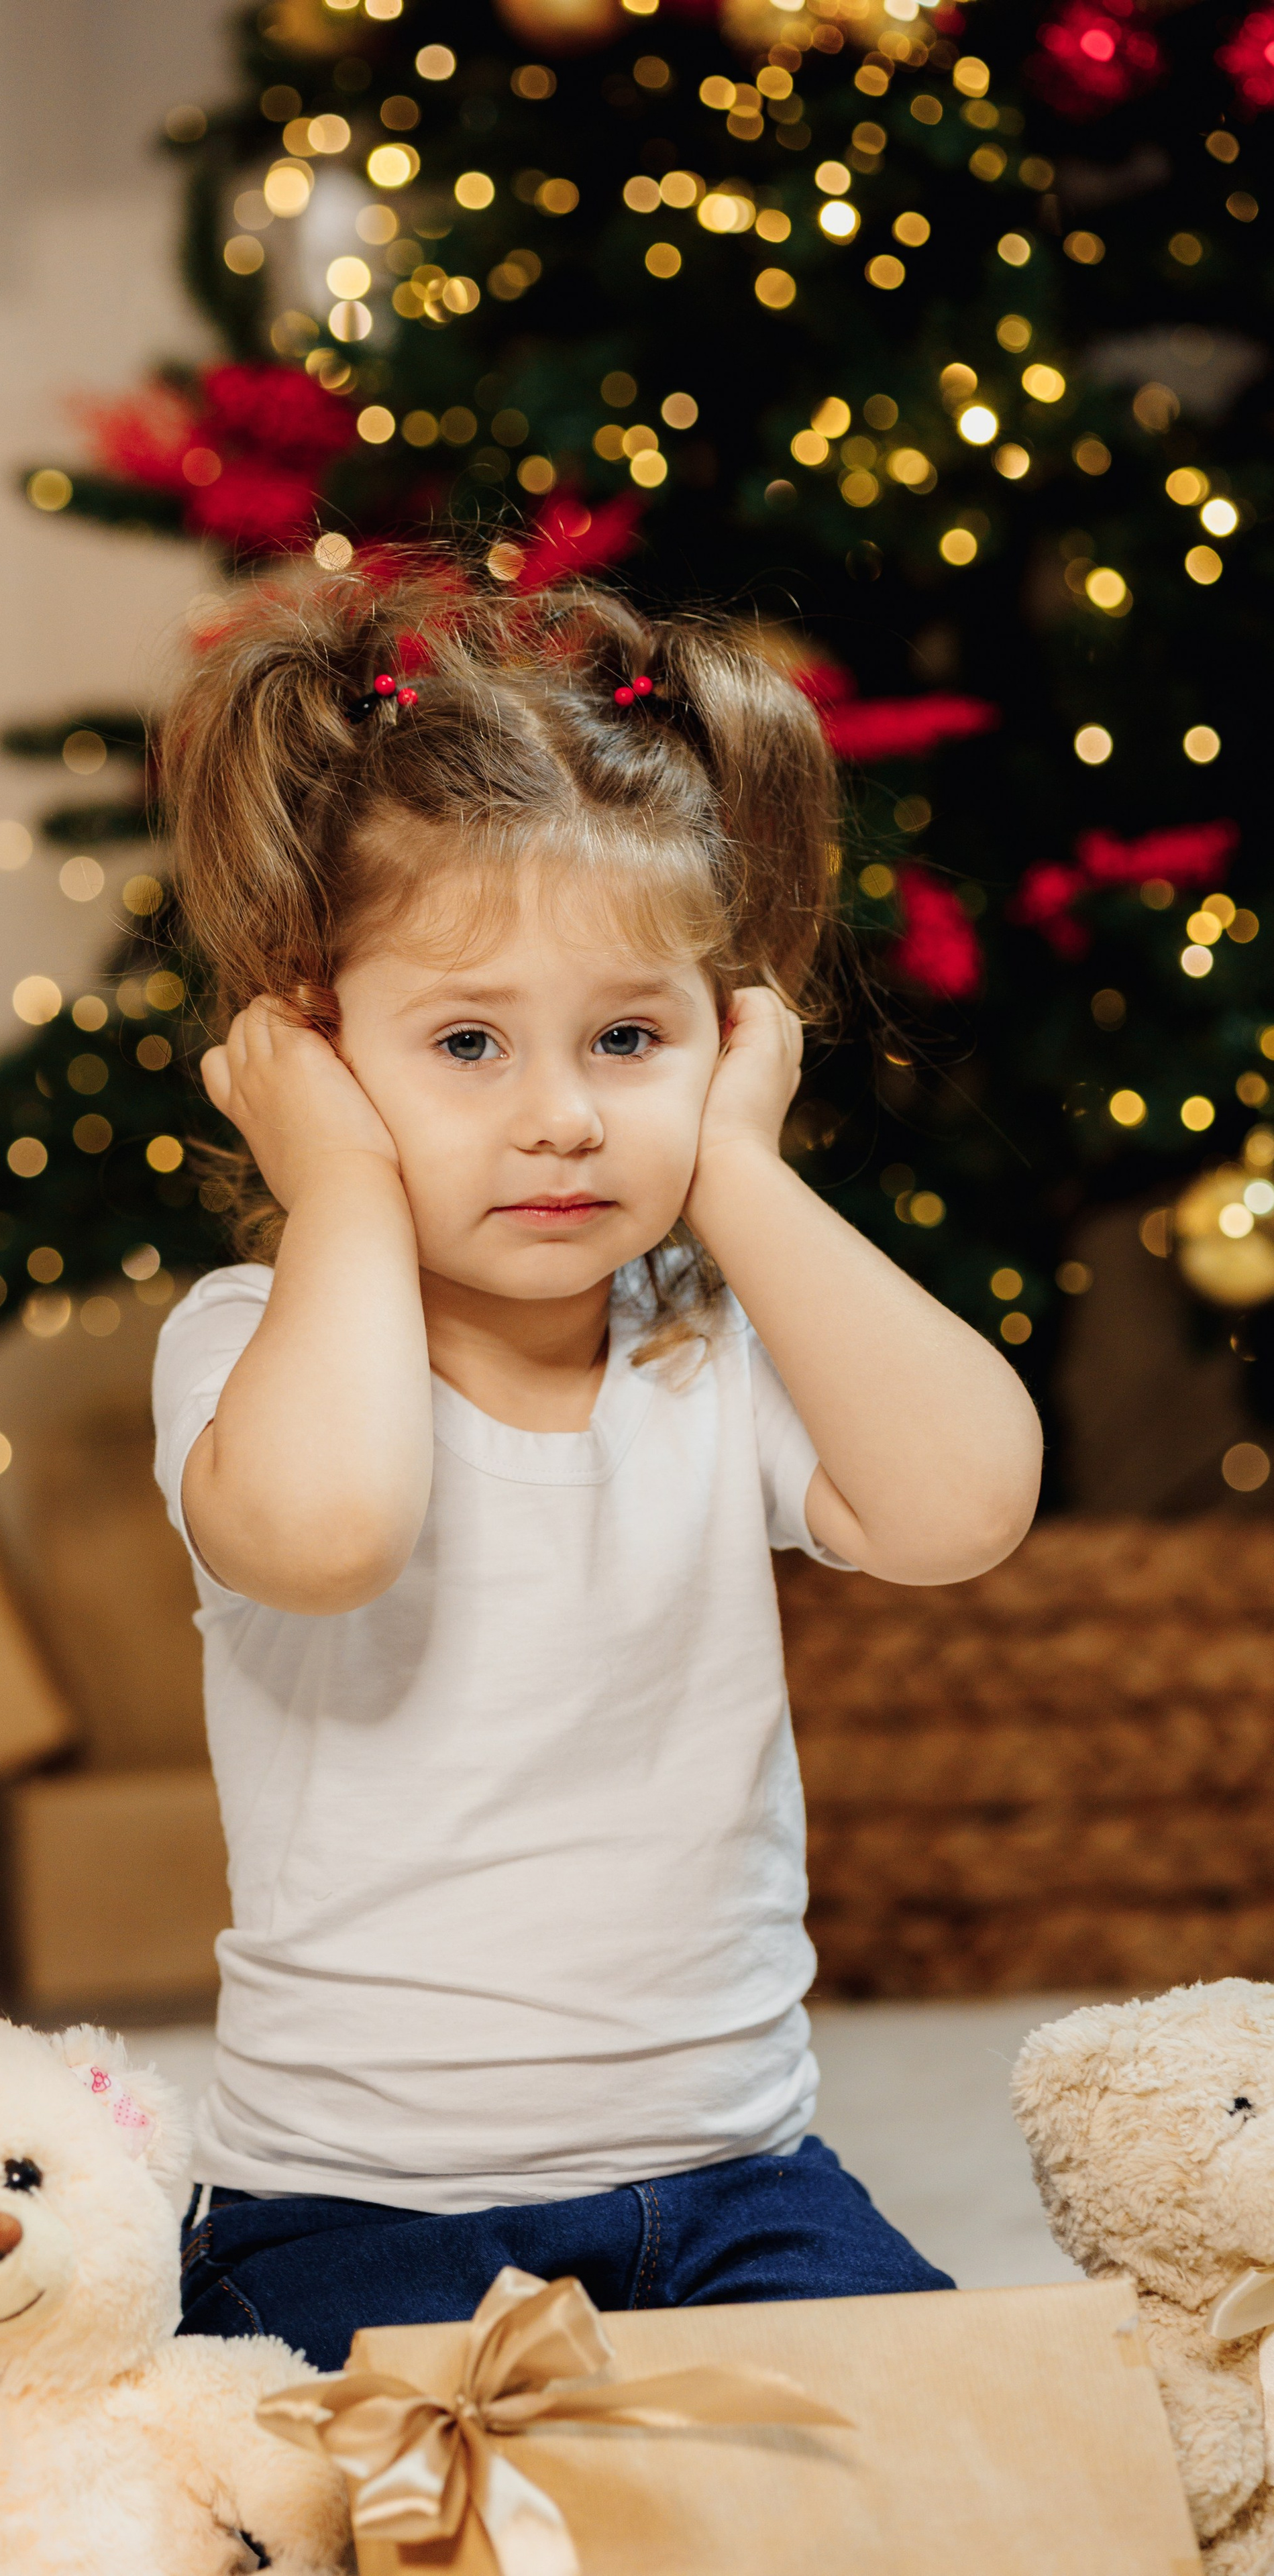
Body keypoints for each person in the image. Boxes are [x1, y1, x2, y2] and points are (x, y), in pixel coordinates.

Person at [150, 564, 1042, 2373]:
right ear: (315, 1047)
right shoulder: (254, 1337)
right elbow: (326, 1536)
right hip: (352, 2203)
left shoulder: (708, 1341)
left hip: (731, 2179)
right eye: (467, 1043)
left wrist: (737, 1170)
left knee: (953, 2466)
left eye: (627, 1038)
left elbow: (963, 1511)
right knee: (350, 2512)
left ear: (723, 1033)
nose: (562, 1113)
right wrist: (339, 1189)